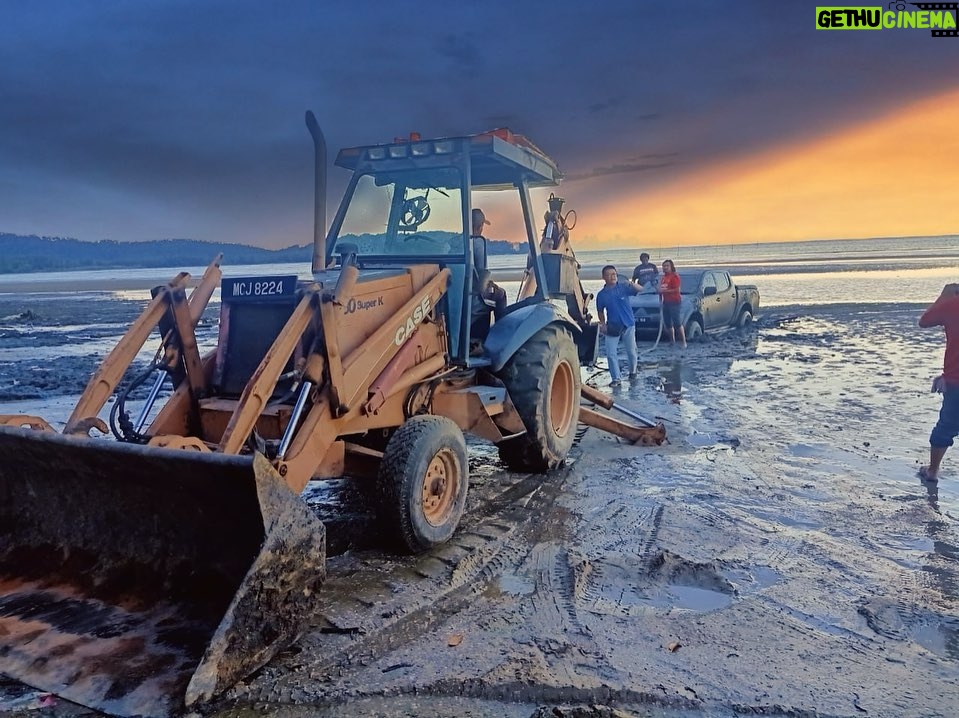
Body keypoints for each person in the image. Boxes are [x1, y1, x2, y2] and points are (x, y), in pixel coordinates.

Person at [918, 282, 959, 482]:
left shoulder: (952, 304)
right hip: (954, 377)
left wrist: (944, 296)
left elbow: (925, 321)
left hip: (956, 379)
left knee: (946, 426)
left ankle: (933, 471)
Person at [596, 264, 640, 387]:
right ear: (604, 277)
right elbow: (600, 311)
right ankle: (616, 379)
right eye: (609, 275)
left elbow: (640, 290)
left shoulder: (624, 288)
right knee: (610, 353)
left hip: (629, 324)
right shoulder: (601, 295)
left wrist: (632, 284)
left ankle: (633, 372)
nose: (612, 276)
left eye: (614, 274)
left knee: (631, 351)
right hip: (613, 327)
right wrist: (603, 324)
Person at [470, 208, 508, 326]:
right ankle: (500, 333)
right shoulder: (478, 243)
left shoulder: (456, 242)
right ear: (480, 226)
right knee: (500, 294)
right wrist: (488, 283)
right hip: (472, 297)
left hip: (457, 292)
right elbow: (482, 274)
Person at [658, 258, 686, 348]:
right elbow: (661, 290)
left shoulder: (675, 276)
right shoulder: (663, 278)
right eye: (664, 266)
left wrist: (664, 291)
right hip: (666, 302)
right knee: (668, 323)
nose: (665, 268)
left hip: (674, 302)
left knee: (677, 322)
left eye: (667, 266)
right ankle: (672, 341)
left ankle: (683, 342)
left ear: (671, 267)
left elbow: (677, 290)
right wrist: (660, 295)